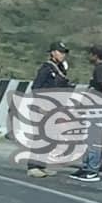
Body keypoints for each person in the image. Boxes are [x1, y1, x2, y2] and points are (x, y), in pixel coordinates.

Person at [69, 44, 102, 183]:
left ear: (95, 55)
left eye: (90, 54)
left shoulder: (100, 69)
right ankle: (86, 167)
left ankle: (92, 171)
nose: (89, 57)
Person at [26, 41, 72, 178]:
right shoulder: (46, 69)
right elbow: (36, 88)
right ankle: (33, 166)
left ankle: (41, 165)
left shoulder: (59, 69)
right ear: (52, 52)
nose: (62, 55)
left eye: (64, 52)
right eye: (60, 52)